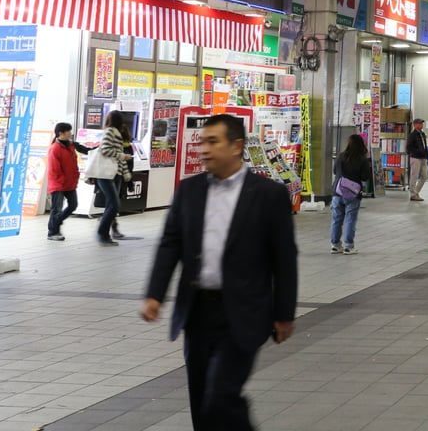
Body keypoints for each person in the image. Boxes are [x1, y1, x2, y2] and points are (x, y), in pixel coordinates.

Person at [141, 113, 297, 431]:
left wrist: (284, 314)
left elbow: (284, 260)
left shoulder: (268, 195)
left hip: (243, 312)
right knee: (202, 404)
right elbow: (170, 244)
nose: (204, 149)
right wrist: (154, 295)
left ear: (236, 146)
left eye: (213, 142)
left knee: (220, 397)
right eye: (202, 142)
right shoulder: (190, 191)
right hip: (197, 312)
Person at [94, 110, 134, 246]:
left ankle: (105, 235)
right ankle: (102, 233)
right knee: (114, 205)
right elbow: (105, 150)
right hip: (106, 174)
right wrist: (122, 156)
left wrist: (125, 173)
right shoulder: (110, 132)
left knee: (111, 205)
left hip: (114, 173)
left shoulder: (115, 133)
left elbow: (119, 155)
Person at [46, 122, 90, 241]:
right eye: (68, 131)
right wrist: (61, 181)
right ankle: (53, 232)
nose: (70, 133)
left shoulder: (70, 145)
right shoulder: (55, 148)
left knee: (73, 205)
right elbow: (54, 169)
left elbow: (81, 154)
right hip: (58, 183)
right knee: (57, 208)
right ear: (61, 133)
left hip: (70, 183)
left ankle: (55, 222)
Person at [330, 134, 372, 254]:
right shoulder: (362, 159)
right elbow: (365, 177)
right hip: (352, 194)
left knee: (336, 219)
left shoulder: (340, 156)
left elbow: (335, 171)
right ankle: (348, 246)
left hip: (337, 192)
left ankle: (335, 245)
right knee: (350, 220)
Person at [406, 117, 428, 201]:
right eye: (420, 123)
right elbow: (409, 147)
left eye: (422, 123)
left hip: (423, 157)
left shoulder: (422, 134)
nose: (421, 125)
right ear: (415, 125)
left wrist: (426, 155)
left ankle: (416, 192)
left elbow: (424, 145)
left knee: (424, 176)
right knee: (414, 176)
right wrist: (417, 152)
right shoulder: (412, 135)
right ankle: (413, 194)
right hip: (415, 158)